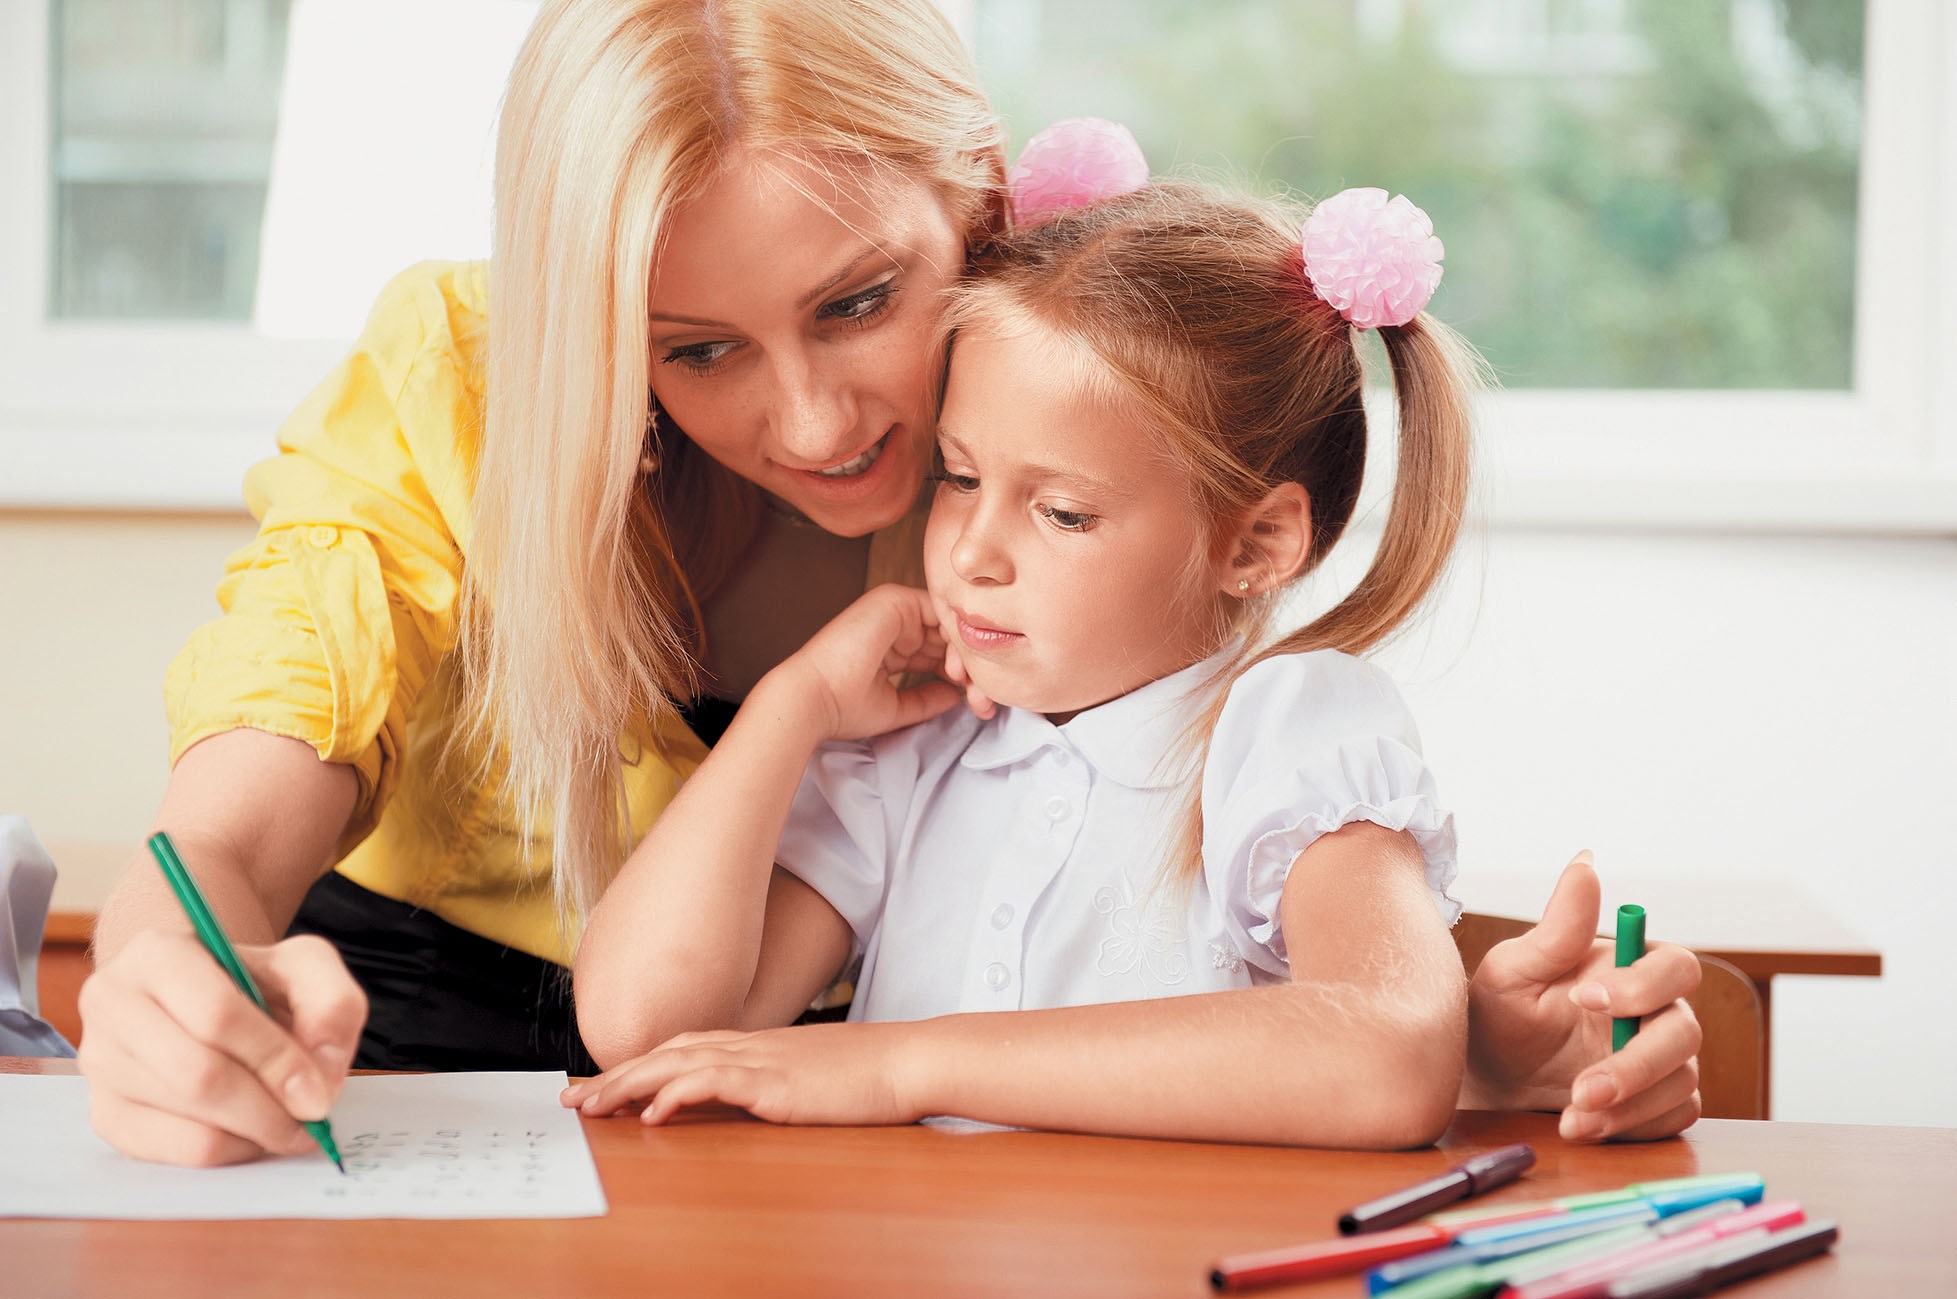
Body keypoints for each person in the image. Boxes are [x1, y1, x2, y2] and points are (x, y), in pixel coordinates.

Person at [75, 0, 1700, 1166]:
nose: (810, 423)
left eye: (858, 303)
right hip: (415, 1054)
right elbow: (243, 811)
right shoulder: (478, 386)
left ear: (979, 200)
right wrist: (164, 969)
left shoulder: (1078, 383)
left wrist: (1481, 1037)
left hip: (824, 1116)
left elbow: (1293, 962)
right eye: (693, 351)